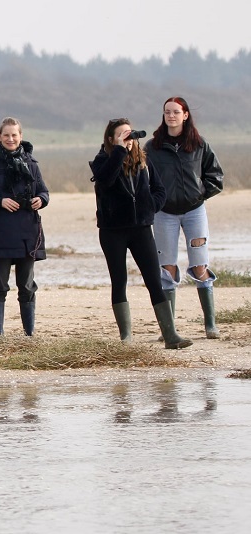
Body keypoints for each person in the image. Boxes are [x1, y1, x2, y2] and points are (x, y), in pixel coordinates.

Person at [91, 118, 192, 349]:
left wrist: (150, 206)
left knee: (154, 281)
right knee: (119, 281)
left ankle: (170, 335)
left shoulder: (143, 161)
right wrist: (118, 150)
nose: (130, 139)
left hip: (141, 229)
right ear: (110, 139)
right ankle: (126, 337)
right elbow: (105, 180)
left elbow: (159, 189)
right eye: (123, 135)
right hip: (112, 231)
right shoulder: (101, 161)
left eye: (130, 135)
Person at [146, 97, 225, 340]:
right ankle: (169, 330)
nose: (171, 116)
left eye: (176, 112)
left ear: (185, 115)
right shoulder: (152, 147)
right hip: (164, 214)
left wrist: (200, 193)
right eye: (167, 112)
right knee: (167, 268)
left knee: (200, 266)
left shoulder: (199, 145)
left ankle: (210, 325)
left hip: (194, 212)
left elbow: (215, 176)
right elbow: (141, 178)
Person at [0, 117, 49, 336]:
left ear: (21, 137)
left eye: (14, 135)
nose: (10, 139)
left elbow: (44, 191)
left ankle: (29, 334)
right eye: (6, 135)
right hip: (0, 234)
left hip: (28, 233)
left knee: (26, 287)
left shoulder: (31, 164)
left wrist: (41, 200)